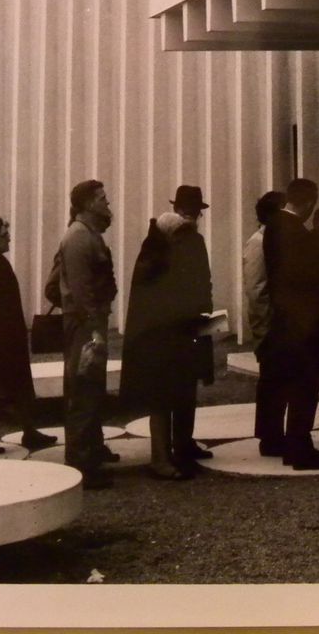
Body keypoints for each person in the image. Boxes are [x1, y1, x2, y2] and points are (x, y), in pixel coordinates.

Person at [121, 186, 216, 479]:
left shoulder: (158, 240)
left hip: (166, 330)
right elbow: (196, 283)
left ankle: (177, 448)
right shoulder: (182, 240)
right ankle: (164, 456)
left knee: (176, 391)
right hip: (172, 331)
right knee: (170, 393)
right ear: (192, 213)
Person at [259, 177, 319, 470]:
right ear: (309, 202)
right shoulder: (291, 229)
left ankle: (294, 443)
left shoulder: (279, 227)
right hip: (304, 326)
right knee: (304, 387)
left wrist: (315, 233)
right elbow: (305, 274)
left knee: (294, 385)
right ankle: (300, 447)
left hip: (290, 325)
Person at [0, 217, 59, 454]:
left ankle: (28, 430)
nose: (9, 238)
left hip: (8, 338)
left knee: (18, 385)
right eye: (4, 235)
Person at [58, 179, 119, 488]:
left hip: (90, 322)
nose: (108, 204)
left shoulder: (87, 234)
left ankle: (92, 448)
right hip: (85, 323)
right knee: (84, 388)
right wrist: (95, 328)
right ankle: (82, 461)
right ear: (88, 204)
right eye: (102, 199)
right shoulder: (80, 238)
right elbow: (82, 291)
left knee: (92, 386)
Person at [241, 190, 284, 453]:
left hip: (274, 325)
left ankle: (274, 434)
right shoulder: (259, 243)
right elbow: (257, 290)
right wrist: (265, 328)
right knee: (271, 381)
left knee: (277, 380)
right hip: (269, 326)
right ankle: (270, 437)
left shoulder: (272, 239)